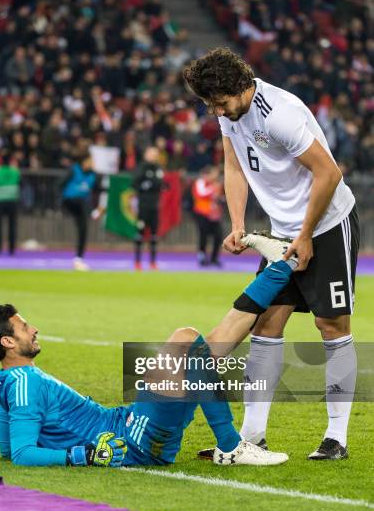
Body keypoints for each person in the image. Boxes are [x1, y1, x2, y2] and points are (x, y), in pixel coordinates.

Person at [0, 233, 298, 468]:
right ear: (7, 342)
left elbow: (7, 448)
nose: (33, 329)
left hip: (128, 422)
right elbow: (20, 454)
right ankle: (230, 446)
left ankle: (281, 264)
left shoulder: (5, 382)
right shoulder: (20, 382)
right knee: (188, 340)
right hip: (132, 440)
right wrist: (80, 455)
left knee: (205, 350)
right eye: (23, 327)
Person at [183, 47, 359, 460]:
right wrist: (238, 223)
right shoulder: (232, 116)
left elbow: (329, 173)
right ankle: (252, 436)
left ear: (240, 88)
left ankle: (337, 438)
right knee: (265, 324)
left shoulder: (279, 113)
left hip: (328, 225)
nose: (217, 113)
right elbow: (233, 166)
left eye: (221, 104)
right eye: (210, 106)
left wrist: (306, 233)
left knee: (330, 325)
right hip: (282, 233)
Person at [62, 153, 97, 271]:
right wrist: (59, 201)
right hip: (70, 201)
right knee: (81, 203)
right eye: (91, 161)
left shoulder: (93, 175)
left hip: (82, 204)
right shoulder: (73, 170)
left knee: (83, 228)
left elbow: (96, 190)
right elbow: (59, 184)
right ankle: (92, 212)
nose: (93, 164)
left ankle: (79, 259)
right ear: (84, 162)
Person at [132, 146, 164, 271]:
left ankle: (153, 262)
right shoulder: (141, 167)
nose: (154, 156)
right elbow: (135, 183)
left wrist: (150, 184)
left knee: (154, 235)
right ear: (146, 154)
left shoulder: (157, 168)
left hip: (154, 206)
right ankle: (137, 262)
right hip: (143, 206)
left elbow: (160, 184)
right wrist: (148, 185)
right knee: (140, 234)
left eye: (155, 154)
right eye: (151, 154)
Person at [192, 166, 224, 267]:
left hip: (214, 214)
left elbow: (219, 197)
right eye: (213, 174)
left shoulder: (216, 184)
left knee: (218, 236)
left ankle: (214, 258)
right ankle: (202, 257)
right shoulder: (200, 182)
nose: (216, 176)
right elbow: (201, 194)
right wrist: (213, 189)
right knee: (203, 235)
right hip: (202, 213)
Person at [0, 154, 21, 255]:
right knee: (12, 226)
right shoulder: (15, 171)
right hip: (12, 200)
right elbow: (19, 182)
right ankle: (11, 249)